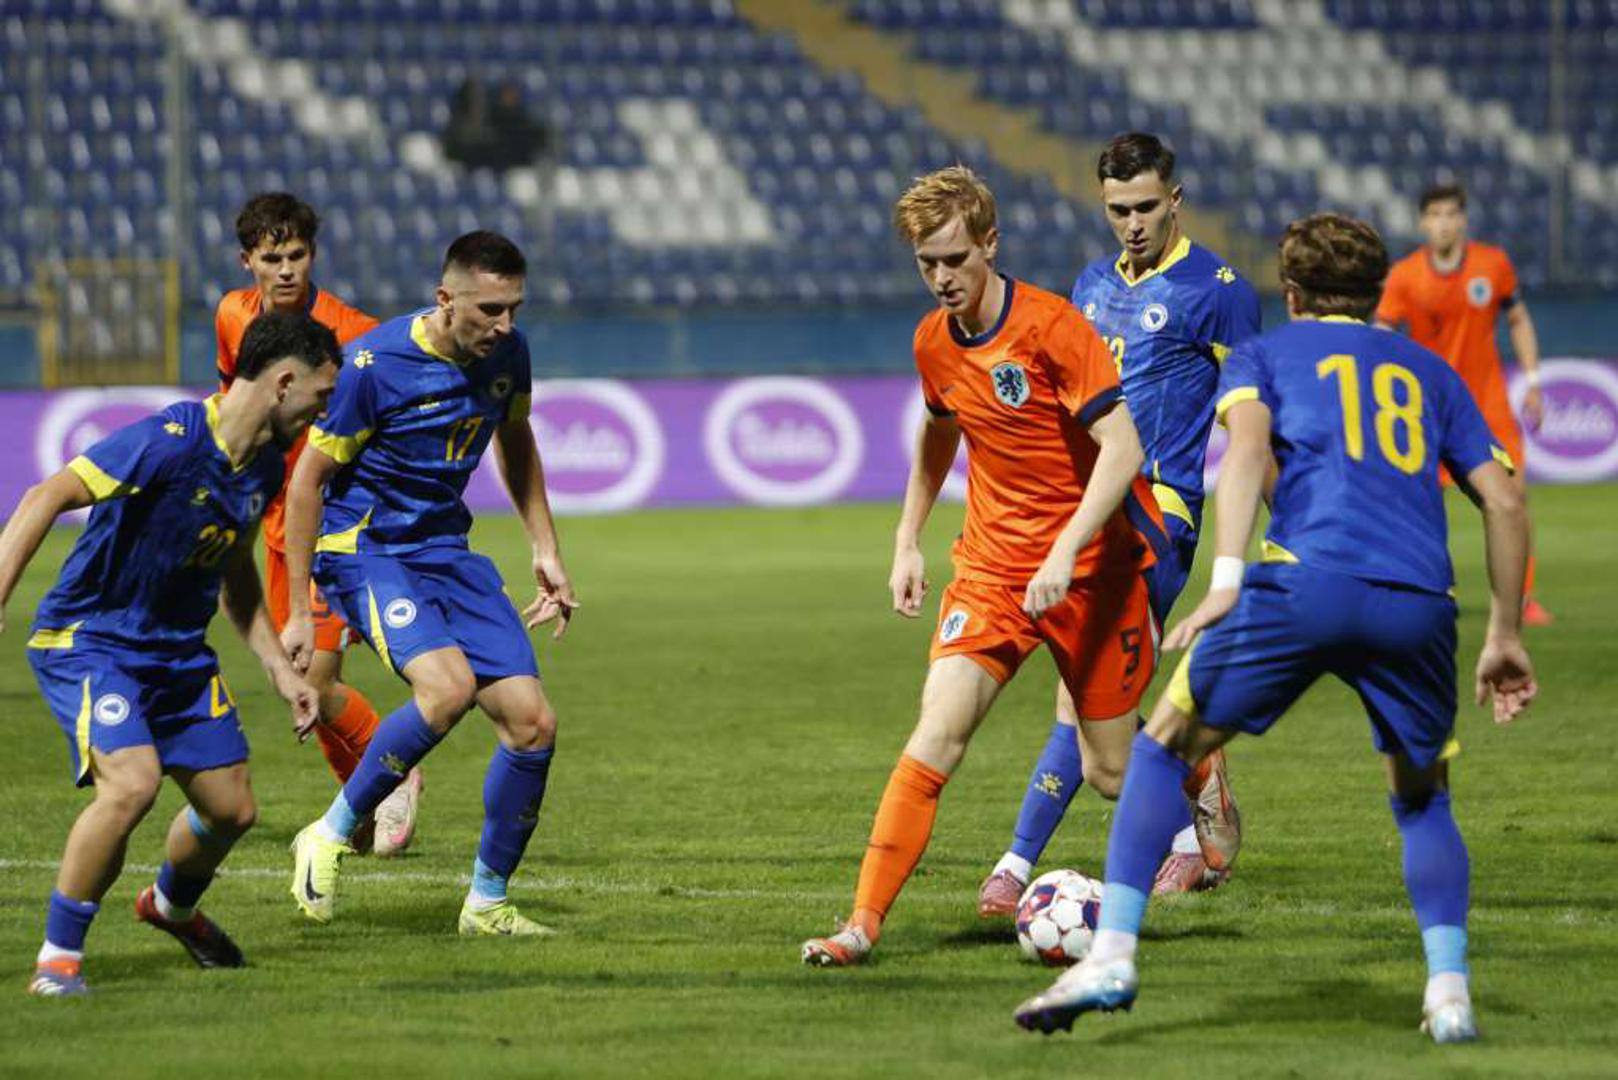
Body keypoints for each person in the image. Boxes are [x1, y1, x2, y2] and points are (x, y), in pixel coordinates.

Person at [1013, 213, 1535, 1045]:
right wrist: (1504, 632)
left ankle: (1111, 957)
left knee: (1162, 748)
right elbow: (1503, 498)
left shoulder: (1267, 355)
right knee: (1422, 799)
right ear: (1377, 294)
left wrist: (1225, 581)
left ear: (1291, 293)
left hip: (1302, 585)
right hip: (1417, 603)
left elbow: (1247, 455)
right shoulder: (1431, 372)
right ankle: (1448, 994)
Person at [801, 165, 1193, 967]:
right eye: (927, 263)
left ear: (990, 244)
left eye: (955, 258)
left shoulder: (1052, 327)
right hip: (991, 573)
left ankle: (1193, 757)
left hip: (1093, 575)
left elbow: (1123, 448)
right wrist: (907, 538)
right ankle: (860, 928)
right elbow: (940, 429)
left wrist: (1066, 548)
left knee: (1110, 773)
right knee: (935, 736)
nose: (942, 278)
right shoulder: (933, 342)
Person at [5, 312, 336, 996]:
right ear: (283, 383)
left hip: (178, 656)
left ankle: (169, 908)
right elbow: (47, 494)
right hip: (93, 640)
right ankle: (57, 964)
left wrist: (279, 669)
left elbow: (235, 569)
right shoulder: (170, 439)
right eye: (320, 395)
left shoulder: (265, 466)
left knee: (232, 810)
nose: (322, 412)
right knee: (132, 785)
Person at [978, 133, 1258, 914]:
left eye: (1144, 207)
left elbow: (1251, 423)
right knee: (1091, 693)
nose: (1131, 224)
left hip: (1161, 513)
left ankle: (1016, 862)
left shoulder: (1220, 291)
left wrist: (1280, 512)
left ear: (1175, 200)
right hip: (1089, 509)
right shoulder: (1091, 284)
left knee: (1080, 697)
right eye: (1116, 210)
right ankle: (1194, 786)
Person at [283, 230, 577, 937]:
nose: (504, 324)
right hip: (367, 547)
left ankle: (487, 904)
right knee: (446, 690)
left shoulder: (509, 354)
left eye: (514, 308)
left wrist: (544, 547)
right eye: (489, 309)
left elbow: (516, 440)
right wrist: (297, 609)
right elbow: (307, 482)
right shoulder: (373, 365)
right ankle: (327, 834)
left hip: (446, 550)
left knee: (532, 723)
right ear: (446, 299)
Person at [217, 192, 425, 856]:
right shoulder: (232, 316)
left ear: (313, 255)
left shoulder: (356, 334)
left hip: (336, 524)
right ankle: (360, 810)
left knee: (315, 680)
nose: (285, 269)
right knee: (301, 687)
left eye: (297, 255)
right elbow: (236, 402)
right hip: (278, 524)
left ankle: (395, 771)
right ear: (247, 261)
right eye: (271, 258)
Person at [1375, 182, 1551, 625]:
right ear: (1422, 222)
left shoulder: (1493, 265)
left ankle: (1521, 599)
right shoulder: (1404, 276)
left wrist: (1533, 380)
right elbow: (1381, 334)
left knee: (1513, 497)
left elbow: (1518, 318)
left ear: (1464, 220)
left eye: (1452, 214)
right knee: (1417, 504)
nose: (1444, 224)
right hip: (1427, 409)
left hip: (1488, 405)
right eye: (1435, 215)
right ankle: (1426, 589)